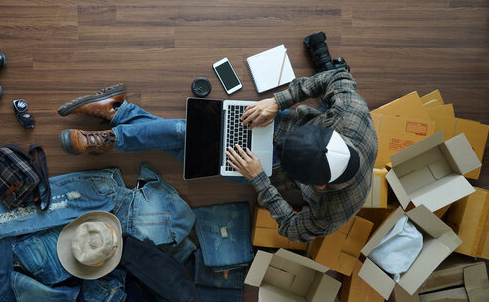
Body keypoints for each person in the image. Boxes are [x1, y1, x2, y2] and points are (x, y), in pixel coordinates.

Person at [58, 62, 377, 243]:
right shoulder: (351, 115)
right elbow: (339, 76)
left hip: (267, 172)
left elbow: (294, 230)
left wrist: (260, 180)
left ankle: (118, 116)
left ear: (318, 186)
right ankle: (113, 132)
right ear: (329, 132)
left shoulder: (336, 210)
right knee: (189, 133)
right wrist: (278, 102)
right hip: (272, 120)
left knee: (191, 153)